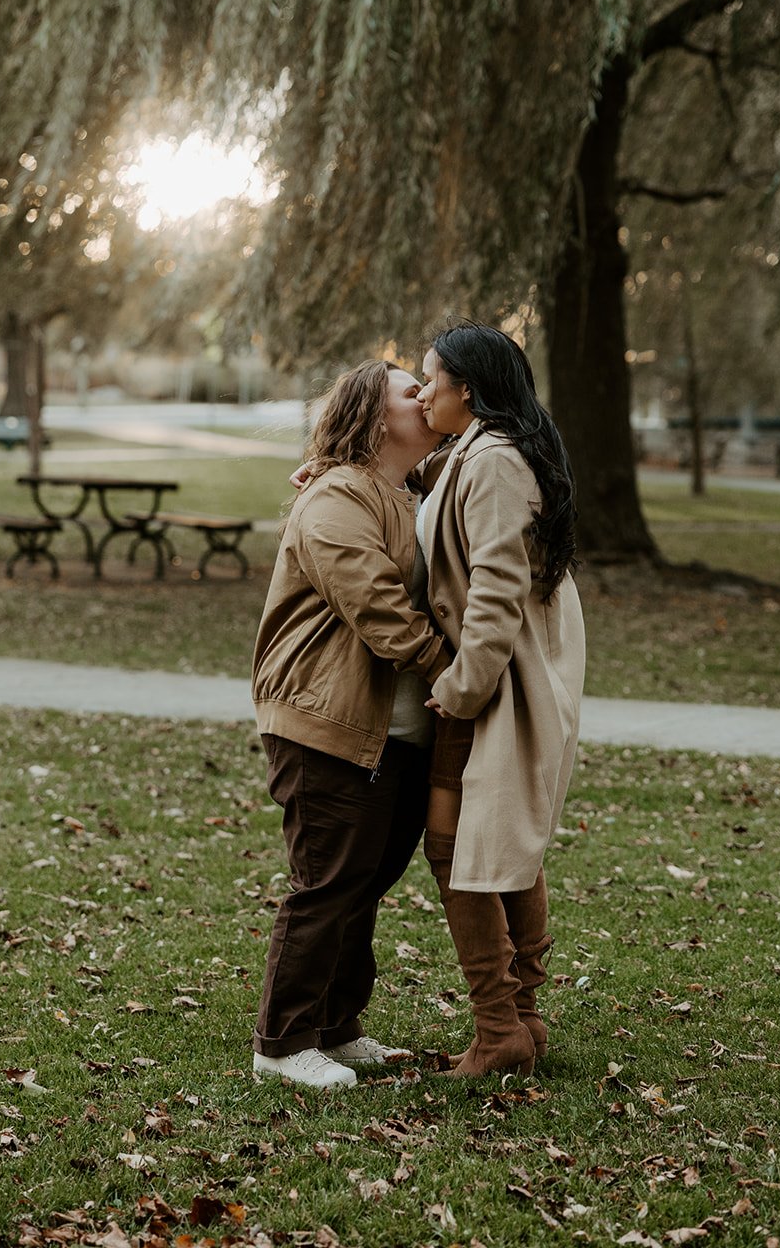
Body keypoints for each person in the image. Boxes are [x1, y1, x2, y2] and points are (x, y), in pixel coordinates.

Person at [251, 359, 451, 1089]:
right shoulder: (337, 496)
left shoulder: (410, 489)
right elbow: (378, 608)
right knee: (328, 882)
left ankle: (336, 1026)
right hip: (325, 722)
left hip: (393, 731)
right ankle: (282, 1043)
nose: (426, 398)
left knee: (363, 880)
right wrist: (455, 674)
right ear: (373, 417)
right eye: (410, 391)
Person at [416, 322, 585, 1077]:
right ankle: (521, 1020)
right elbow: (447, 505)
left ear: (468, 392)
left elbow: (493, 588)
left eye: (430, 382)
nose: (421, 394)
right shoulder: (484, 453)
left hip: (495, 676)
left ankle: (500, 1027)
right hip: (503, 669)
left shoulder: (491, 461)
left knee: (460, 843)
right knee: (495, 837)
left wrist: (461, 686)